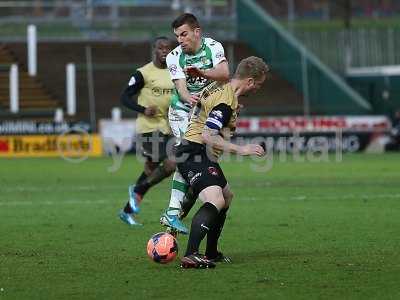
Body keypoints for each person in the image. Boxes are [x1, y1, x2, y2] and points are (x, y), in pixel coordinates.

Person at [176, 56, 270, 268]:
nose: (258, 89)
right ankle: (191, 254)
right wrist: (242, 149)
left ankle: (211, 253)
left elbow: (203, 104)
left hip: (197, 151)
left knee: (227, 196)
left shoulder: (221, 88)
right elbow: (208, 136)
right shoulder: (226, 102)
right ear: (250, 81)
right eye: (259, 84)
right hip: (194, 151)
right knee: (216, 199)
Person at [159, 13, 230, 234]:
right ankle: (172, 213)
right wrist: (187, 96)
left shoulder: (213, 47)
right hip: (181, 112)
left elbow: (224, 73)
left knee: (195, 163)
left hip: (203, 113)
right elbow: (180, 87)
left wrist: (202, 72)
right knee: (189, 157)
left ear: (196, 32)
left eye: (184, 34)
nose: (180, 39)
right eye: (177, 35)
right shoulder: (174, 56)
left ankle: (176, 215)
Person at [118, 37, 176, 226]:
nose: (165, 51)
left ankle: (127, 210)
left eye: (168, 48)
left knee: (152, 168)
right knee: (170, 164)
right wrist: (143, 110)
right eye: (161, 48)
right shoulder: (143, 73)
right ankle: (136, 189)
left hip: (167, 127)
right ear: (154, 50)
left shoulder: (175, 72)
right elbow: (125, 97)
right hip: (149, 128)